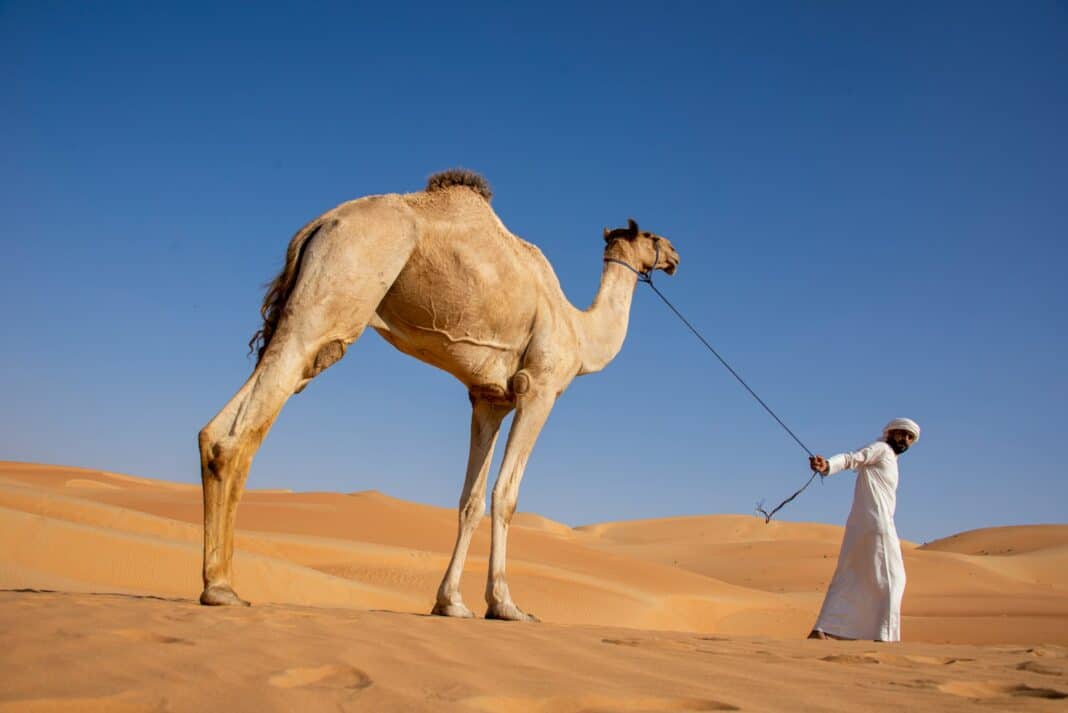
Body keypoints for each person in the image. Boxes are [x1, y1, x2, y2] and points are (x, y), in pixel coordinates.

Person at [806, 418, 921, 642]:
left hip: (863, 525)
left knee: (852, 575)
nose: (905, 440)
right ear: (891, 433)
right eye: (902, 434)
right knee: (894, 579)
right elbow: (852, 458)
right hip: (878, 525)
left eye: (910, 437)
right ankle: (884, 637)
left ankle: (825, 629)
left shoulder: (891, 458)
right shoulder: (882, 449)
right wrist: (828, 465)